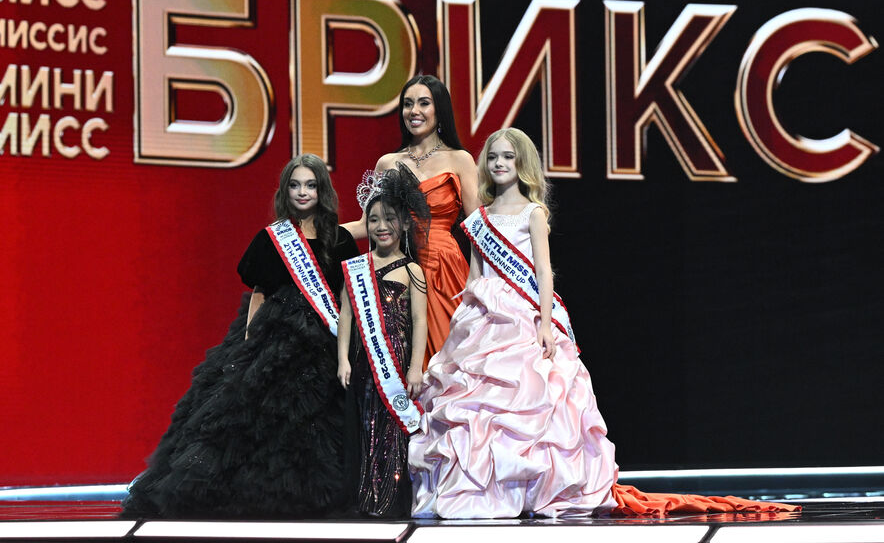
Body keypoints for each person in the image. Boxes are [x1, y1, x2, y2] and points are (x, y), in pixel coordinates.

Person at [408, 128, 800, 519]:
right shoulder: (480, 219)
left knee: (532, 402)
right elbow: (476, 275)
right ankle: (485, 491)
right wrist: (462, 326)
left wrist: (544, 324)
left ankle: (538, 488)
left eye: (508, 157)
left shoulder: (533, 213)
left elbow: (543, 272)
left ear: (522, 163)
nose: (499, 164)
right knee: (476, 410)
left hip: (523, 317)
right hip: (482, 322)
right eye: (493, 157)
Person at [121, 154, 359, 519]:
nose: (302, 192)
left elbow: (346, 298)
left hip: (326, 340)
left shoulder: (339, 240)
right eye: (295, 185)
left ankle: (316, 498)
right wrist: (249, 344)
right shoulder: (271, 239)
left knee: (317, 421)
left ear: (322, 191)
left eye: (311, 185)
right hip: (276, 335)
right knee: (254, 418)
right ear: (284, 191)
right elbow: (260, 292)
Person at [343, 75, 478, 365]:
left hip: (444, 271)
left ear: (440, 109)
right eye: (407, 104)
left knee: (448, 362)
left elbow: (478, 226)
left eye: (423, 103)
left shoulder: (460, 160)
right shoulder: (388, 162)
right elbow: (366, 224)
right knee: (400, 361)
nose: (414, 111)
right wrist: (314, 231)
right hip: (398, 269)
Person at [337, 165, 429, 518]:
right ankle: (365, 500)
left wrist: (416, 367)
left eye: (389, 218)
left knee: (392, 428)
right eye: (373, 219)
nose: (381, 226)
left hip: (398, 360)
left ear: (404, 223)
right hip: (364, 361)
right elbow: (346, 316)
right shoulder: (356, 267)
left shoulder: (412, 270)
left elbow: (419, 321)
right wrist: (343, 359)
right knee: (365, 425)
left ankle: (391, 501)